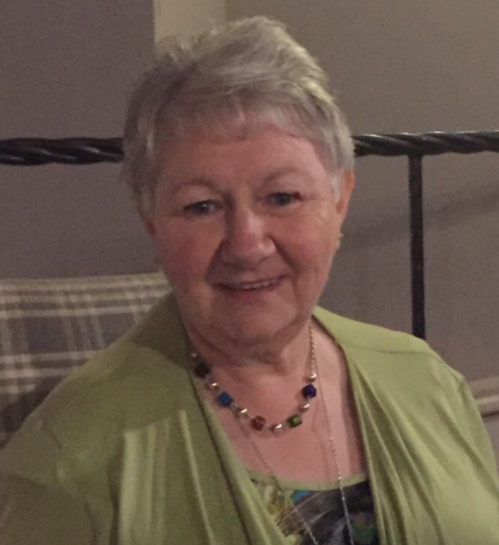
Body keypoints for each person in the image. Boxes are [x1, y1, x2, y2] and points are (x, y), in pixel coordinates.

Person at [1, 16, 498, 545]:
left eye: (282, 197)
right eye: (202, 206)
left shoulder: (427, 383)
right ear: (153, 224)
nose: (246, 245)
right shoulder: (68, 457)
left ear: (340, 201)